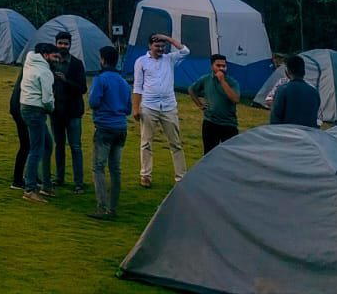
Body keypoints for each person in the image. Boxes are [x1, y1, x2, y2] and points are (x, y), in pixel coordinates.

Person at [131, 31, 189, 187]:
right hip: (149, 106)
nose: (160, 49)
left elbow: (185, 51)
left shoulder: (169, 59)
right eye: (157, 46)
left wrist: (168, 38)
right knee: (146, 143)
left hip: (169, 106)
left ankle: (181, 177)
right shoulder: (141, 61)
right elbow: (137, 86)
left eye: (163, 46)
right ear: (150, 46)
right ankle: (145, 175)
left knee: (176, 143)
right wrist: (135, 108)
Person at [86, 43, 132, 221]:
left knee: (98, 167)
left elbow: (93, 102)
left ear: (103, 60)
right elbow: (128, 108)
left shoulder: (101, 79)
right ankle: (112, 208)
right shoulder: (124, 82)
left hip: (105, 127)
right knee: (115, 169)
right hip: (121, 127)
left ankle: (102, 206)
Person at [19, 41, 58, 203]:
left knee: (47, 145)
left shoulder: (30, 62)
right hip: (36, 110)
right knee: (36, 149)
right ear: (46, 55)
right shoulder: (45, 72)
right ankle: (30, 188)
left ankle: (45, 184)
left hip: (25, 106)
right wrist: (51, 109)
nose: (57, 60)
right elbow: (47, 99)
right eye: (54, 56)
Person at [50, 29, 88, 192]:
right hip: (56, 111)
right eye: (60, 43)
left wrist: (66, 81)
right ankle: (59, 178)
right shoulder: (51, 63)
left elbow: (83, 88)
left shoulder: (77, 64)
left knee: (75, 147)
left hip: (73, 112)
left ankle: (78, 182)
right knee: (59, 146)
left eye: (66, 44)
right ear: (56, 44)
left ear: (70, 45)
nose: (63, 46)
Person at [188, 53, 241, 153]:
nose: (221, 68)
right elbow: (191, 89)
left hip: (229, 124)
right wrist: (200, 105)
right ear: (212, 66)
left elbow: (235, 99)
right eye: (218, 65)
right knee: (209, 153)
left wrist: (222, 81)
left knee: (231, 154)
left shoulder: (232, 82)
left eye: (224, 66)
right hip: (210, 122)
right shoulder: (206, 79)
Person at [270, 53, 321, 127]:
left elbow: (274, 120)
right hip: (309, 133)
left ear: (287, 71)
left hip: (288, 132)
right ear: (304, 71)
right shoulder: (314, 92)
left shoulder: (283, 90)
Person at [8, 65, 30, 190]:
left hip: (18, 109)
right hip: (23, 110)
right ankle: (18, 180)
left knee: (28, 145)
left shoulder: (28, 66)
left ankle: (26, 175)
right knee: (27, 145)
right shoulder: (34, 69)